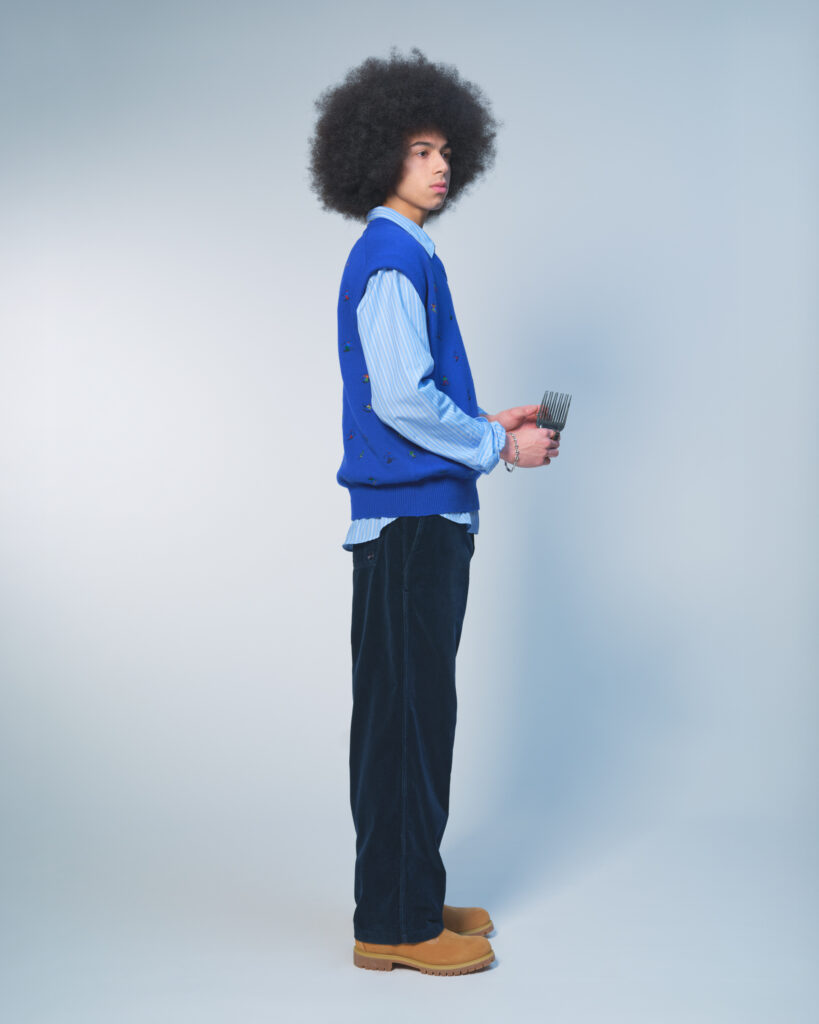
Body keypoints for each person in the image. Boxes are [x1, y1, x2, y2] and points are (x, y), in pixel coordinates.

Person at [309, 49, 560, 976]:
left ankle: (409, 891)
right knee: (406, 722)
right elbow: (399, 400)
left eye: (445, 150)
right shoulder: (389, 258)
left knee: (415, 717)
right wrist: (497, 446)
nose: (439, 165)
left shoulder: (408, 254)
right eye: (419, 151)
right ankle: (396, 925)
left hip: (419, 522)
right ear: (376, 156)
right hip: (411, 527)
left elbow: (417, 398)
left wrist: (486, 420)